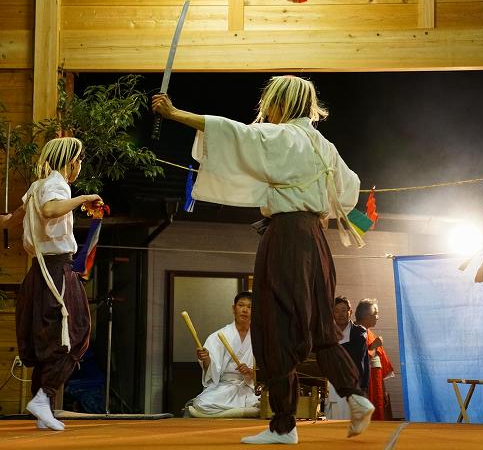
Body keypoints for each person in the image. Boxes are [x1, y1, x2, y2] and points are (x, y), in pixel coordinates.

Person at [152, 75, 374, 445]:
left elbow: (233, 134)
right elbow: (349, 189)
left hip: (286, 238)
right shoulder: (324, 145)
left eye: (271, 102)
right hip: (317, 242)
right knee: (322, 329)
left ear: (281, 103)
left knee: (274, 326)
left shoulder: (282, 135)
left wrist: (175, 113)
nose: (266, 110)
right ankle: (355, 394)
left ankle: (283, 426)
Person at [0, 137, 101, 431]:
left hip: (39, 272)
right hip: (56, 269)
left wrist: (6, 221)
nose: (79, 166)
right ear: (72, 161)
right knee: (75, 334)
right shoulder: (57, 184)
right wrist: (84, 198)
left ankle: (43, 407)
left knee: (48, 338)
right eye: (79, 160)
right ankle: (44, 398)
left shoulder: (37, 186)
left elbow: (18, 216)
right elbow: (51, 210)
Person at [187, 291, 259, 418]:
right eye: (241, 305)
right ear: (233, 308)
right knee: (202, 403)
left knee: (267, 403)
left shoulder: (261, 338)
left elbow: (267, 370)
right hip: (225, 386)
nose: (245, 310)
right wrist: (206, 358)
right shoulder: (219, 336)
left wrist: (250, 372)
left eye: (250, 307)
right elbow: (211, 369)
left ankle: (228, 413)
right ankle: (246, 412)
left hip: (249, 387)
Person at [325, 296, 369, 419]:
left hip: (354, 385)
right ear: (332, 313)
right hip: (332, 386)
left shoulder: (359, 333)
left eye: (344, 310)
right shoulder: (327, 333)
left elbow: (363, 362)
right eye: (336, 311)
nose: (340, 314)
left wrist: (364, 387)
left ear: (350, 312)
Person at [355, 299, 395, 421]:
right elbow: (356, 359)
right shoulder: (354, 332)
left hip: (376, 384)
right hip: (363, 386)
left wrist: (384, 390)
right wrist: (373, 347)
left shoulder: (371, 334)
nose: (378, 317)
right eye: (375, 313)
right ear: (366, 316)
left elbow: (381, 366)